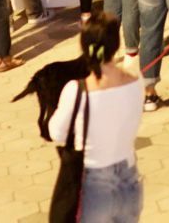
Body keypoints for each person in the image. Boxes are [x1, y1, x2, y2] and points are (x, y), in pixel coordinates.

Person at [48, 12, 145, 222]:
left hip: (94, 186)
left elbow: (56, 132)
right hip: (130, 180)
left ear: (84, 47)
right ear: (116, 45)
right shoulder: (137, 81)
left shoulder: (76, 90)